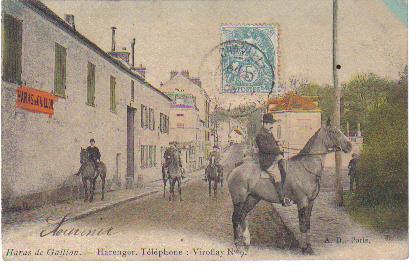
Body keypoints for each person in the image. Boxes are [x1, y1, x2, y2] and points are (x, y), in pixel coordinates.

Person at [255, 113, 290, 206]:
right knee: (277, 175)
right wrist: (278, 150)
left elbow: (272, 144)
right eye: (270, 123)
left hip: (273, 158)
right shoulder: (260, 135)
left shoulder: (268, 132)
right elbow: (265, 148)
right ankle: (282, 199)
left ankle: (285, 192)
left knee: (284, 169)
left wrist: (278, 144)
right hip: (267, 161)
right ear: (265, 123)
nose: (272, 126)